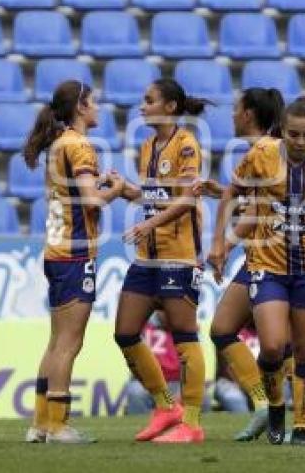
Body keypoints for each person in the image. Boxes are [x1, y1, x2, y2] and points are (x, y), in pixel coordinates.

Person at [214, 97, 305, 445]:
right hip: (268, 263)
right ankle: (275, 404)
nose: (301, 141)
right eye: (294, 134)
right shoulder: (262, 155)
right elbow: (232, 192)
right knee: (274, 346)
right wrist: (220, 241)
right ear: (284, 130)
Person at [112, 79, 214, 444]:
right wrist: (126, 190)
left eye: (149, 100)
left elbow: (186, 199)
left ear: (170, 107)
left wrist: (148, 223)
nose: (142, 106)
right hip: (147, 258)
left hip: (179, 257)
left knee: (184, 335)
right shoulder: (146, 147)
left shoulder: (187, 145)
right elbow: (155, 197)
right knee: (125, 332)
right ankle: (164, 406)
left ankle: (192, 422)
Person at [23, 80, 125, 443]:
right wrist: (112, 190)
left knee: (55, 342)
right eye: (93, 101)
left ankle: (40, 422)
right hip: (74, 252)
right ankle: (58, 424)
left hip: (55, 251)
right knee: (69, 342)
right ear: (81, 107)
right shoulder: (80, 145)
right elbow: (91, 201)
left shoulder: (59, 143)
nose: (97, 107)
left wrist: (107, 184)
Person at [206, 88, 285, 442]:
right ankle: (265, 406)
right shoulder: (266, 151)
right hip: (257, 258)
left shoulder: (264, 150)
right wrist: (225, 248)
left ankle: (296, 415)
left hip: (281, 262)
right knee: (222, 329)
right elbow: (255, 212)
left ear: (250, 114)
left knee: (282, 346)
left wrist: (218, 243)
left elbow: (239, 202)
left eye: (236, 109)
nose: (232, 115)